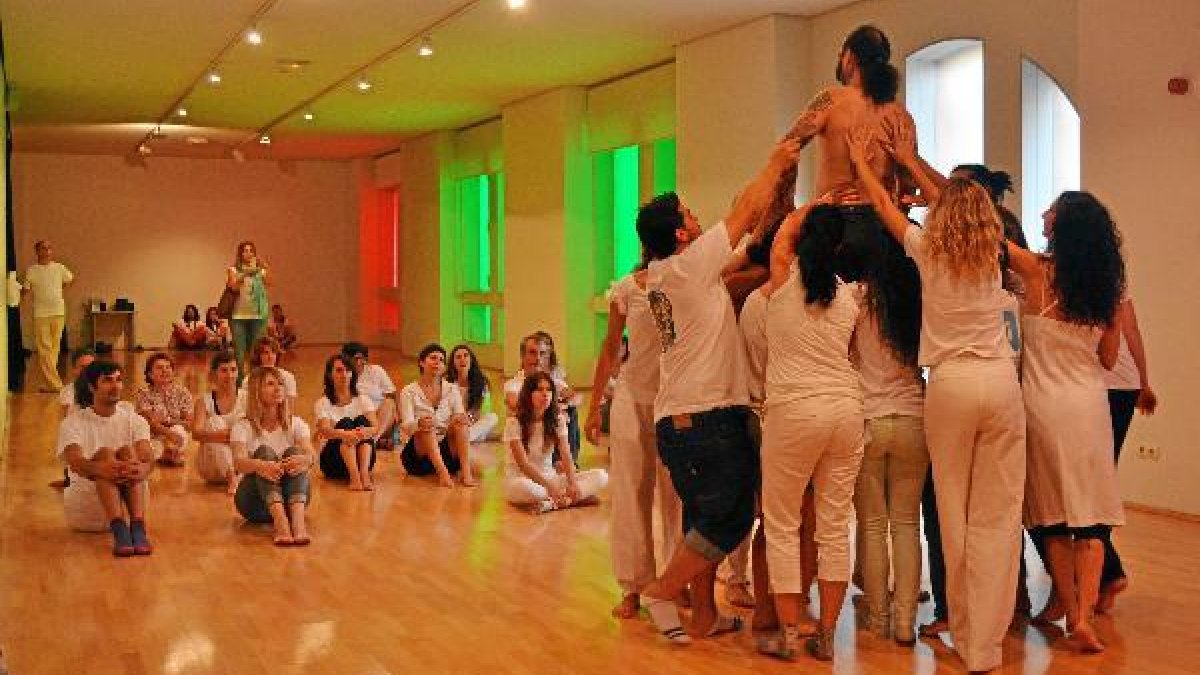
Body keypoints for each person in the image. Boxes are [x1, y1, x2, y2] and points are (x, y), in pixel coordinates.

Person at [851, 124, 1026, 673]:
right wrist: (912, 160)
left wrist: (867, 165)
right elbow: (943, 200)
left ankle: (966, 633)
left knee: (955, 514)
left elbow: (885, 207)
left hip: (950, 386)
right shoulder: (995, 258)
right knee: (999, 519)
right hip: (1001, 383)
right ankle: (986, 646)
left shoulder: (928, 251)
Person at [634, 136, 800, 645]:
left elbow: (745, 232)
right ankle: (661, 590)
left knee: (703, 519)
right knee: (733, 515)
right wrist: (779, 154)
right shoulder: (686, 267)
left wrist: (780, 201)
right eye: (689, 212)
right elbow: (743, 209)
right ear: (682, 232)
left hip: (684, 421)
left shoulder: (674, 272)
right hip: (704, 418)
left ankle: (704, 616)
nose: (698, 216)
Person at [1006, 192, 1127, 653]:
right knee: (1092, 518)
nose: (1042, 215)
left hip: (1043, 406)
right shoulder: (1107, 289)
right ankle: (1083, 617)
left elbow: (987, 236)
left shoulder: (1038, 273)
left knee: (1052, 516)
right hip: (1090, 407)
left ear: (1063, 225)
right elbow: (1109, 357)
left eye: (1050, 210)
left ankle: (1072, 606)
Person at [757, 202, 868, 661]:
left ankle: (787, 633)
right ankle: (825, 635)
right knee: (834, 525)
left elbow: (782, 233)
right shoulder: (848, 298)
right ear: (840, 245)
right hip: (845, 410)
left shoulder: (784, 279)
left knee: (783, 523)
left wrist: (812, 203)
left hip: (793, 410)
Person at [586, 259, 683, 620]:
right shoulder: (627, 288)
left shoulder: (684, 281)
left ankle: (676, 581)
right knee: (630, 492)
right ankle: (633, 585)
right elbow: (611, 348)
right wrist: (594, 406)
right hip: (631, 398)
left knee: (676, 494)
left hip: (673, 400)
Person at [851, 228, 928, 645]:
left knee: (873, 525)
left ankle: (878, 615)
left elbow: (845, 353)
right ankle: (905, 622)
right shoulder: (920, 299)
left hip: (868, 418)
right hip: (914, 417)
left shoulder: (858, 299)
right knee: (905, 525)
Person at [56, 359, 156, 555]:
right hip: (87, 507)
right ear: (92, 387)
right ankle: (120, 530)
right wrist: (101, 468)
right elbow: (75, 461)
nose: (115, 386)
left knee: (127, 453)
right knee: (105, 453)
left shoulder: (135, 420)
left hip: (129, 503)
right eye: (107, 381)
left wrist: (142, 468)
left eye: (119, 380)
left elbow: (147, 456)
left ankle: (136, 528)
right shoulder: (73, 422)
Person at [1098, 295, 1157, 613]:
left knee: (1091, 484)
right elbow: (1133, 333)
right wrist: (1143, 383)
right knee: (1100, 480)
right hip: (1125, 386)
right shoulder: (1116, 284)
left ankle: (1108, 572)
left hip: (1100, 387)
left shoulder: (1073, 279)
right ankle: (1103, 575)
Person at [230, 366, 315, 546]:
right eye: (270, 384)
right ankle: (281, 523)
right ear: (256, 391)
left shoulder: (296, 423)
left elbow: (311, 454)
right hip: (254, 504)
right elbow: (238, 463)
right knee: (264, 452)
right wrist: (261, 466)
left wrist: (306, 460)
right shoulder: (242, 426)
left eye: (281, 384)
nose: (278, 389)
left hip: (292, 500)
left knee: (295, 453)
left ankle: (298, 524)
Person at [504, 372, 608, 512]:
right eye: (539, 389)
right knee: (528, 489)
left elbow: (566, 454)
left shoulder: (557, 420)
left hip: (551, 478)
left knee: (601, 476)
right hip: (522, 481)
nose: (545, 394)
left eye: (549, 390)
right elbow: (524, 465)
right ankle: (573, 499)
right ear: (528, 394)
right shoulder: (514, 423)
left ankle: (552, 503)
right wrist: (550, 487)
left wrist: (572, 483)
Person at [399, 343, 477, 487]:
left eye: (441, 360)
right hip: (418, 456)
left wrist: (459, 419)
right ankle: (443, 474)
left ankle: (466, 473)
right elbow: (406, 426)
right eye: (433, 358)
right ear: (422, 362)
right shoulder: (408, 391)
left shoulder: (452, 389)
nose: (438, 362)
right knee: (426, 428)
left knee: (462, 424)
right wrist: (419, 423)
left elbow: (459, 415)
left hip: (446, 450)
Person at [315, 353, 379, 491]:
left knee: (362, 421)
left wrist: (363, 431)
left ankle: (364, 474)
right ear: (330, 375)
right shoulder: (323, 402)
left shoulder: (363, 399)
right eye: (339, 370)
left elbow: (375, 428)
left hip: (364, 458)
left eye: (347, 370)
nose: (344, 374)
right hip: (334, 463)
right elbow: (325, 431)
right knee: (345, 422)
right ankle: (354, 477)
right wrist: (345, 434)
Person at [22, 240, 74, 392]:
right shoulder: (32, 270)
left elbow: (69, 280)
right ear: (37, 251)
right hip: (41, 314)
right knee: (44, 350)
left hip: (58, 312)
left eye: (49, 248)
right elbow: (25, 290)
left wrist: (58, 290)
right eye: (43, 248)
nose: (47, 251)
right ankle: (57, 385)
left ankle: (51, 384)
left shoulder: (59, 268)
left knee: (54, 350)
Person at [191, 351, 245, 493]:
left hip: (242, 461)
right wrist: (227, 436)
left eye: (233, 370)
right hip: (211, 466)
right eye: (224, 370)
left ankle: (235, 476)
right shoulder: (204, 401)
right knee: (214, 421)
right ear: (214, 374)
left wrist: (231, 436)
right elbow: (196, 433)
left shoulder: (247, 398)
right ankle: (232, 476)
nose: (229, 375)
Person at [134, 352, 194, 467]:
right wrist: (169, 432)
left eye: (168, 367)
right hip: (154, 437)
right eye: (160, 368)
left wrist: (167, 420)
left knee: (179, 429)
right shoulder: (143, 394)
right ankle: (170, 454)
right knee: (148, 450)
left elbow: (189, 424)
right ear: (150, 374)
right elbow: (151, 424)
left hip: (177, 435)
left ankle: (170, 453)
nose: (165, 371)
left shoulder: (182, 392)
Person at [49, 347, 97, 489]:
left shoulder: (101, 386)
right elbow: (67, 417)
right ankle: (71, 477)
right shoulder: (69, 391)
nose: (87, 371)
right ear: (74, 370)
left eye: (91, 367)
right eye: (83, 367)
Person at [534, 331, 584, 460]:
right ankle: (562, 460)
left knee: (571, 411)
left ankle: (570, 460)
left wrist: (565, 405)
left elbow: (575, 396)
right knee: (562, 416)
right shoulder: (525, 377)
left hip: (555, 406)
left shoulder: (556, 372)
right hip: (538, 411)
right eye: (535, 353)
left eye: (543, 353)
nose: (539, 358)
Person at [342, 342, 399, 449]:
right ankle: (375, 442)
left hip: (381, 420)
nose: (359, 362)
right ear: (346, 358)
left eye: (362, 358)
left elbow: (391, 394)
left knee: (389, 402)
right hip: (356, 420)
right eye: (355, 358)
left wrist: (397, 417)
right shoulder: (342, 374)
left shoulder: (377, 371)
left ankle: (373, 440)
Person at [227, 241, 270, 380]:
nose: (248, 253)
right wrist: (245, 273)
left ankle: (256, 380)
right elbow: (233, 286)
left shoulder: (260, 271)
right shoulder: (233, 269)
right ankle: (240, 382)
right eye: (245, 251)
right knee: (239, 352)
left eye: (251, 250)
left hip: (258, 316)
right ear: (240, 254)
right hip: (238, 316)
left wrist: (265, 267)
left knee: (256, 352)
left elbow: (269, 282)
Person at [447, 344, 498, 442]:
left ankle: (466, 437)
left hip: (472, 422)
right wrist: (458, 419)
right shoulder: (446, 383)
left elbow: (482, 410)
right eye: (458, 357)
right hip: (454, 423)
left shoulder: (481, 382)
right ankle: (480, 436)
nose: (463, 359)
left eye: (466, 355)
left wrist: (468, 418)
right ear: (453, 363)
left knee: (493, 417)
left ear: (471, 360)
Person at [246, 337, 298, 410]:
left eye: (273, 352)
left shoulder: (288, 377)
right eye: (266, 353)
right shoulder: (249, 379)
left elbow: (290, 408)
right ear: (258, 356)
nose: (270, 357)